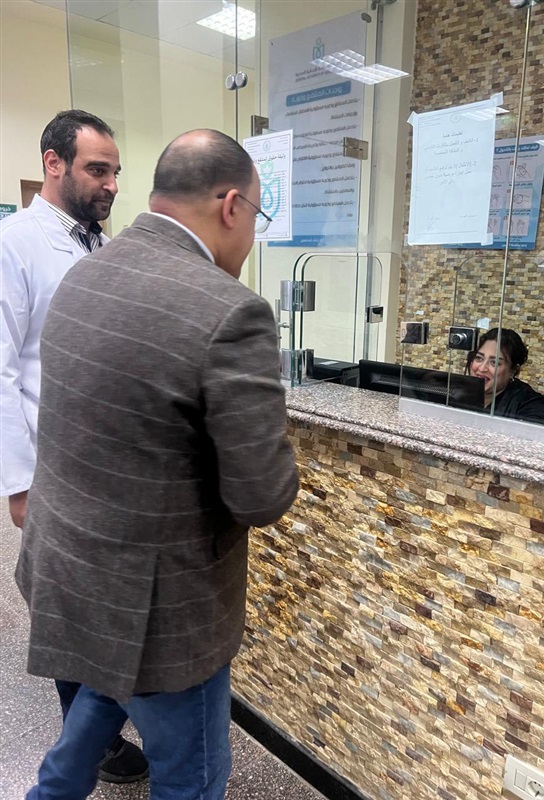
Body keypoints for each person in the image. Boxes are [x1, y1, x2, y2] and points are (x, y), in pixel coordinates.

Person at [17, 128, 299, 800]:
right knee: (193, 778)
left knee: (91, 717)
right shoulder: (231, 311)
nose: (251, 236)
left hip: (71, 567)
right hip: (158, 607)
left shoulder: (84, 272)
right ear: (231, 206)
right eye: (256, 217)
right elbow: (261, 496)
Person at [0, 109, 148, 783]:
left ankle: (100, 731)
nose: (111, 183)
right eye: (97, 169)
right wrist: (20, 483)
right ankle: (93, 746)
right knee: (68, 616)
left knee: (102, 608)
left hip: (109, 470)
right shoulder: (15, 245)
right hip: (53, 471)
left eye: (115, 171)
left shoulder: (100, 245)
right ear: (53, 164)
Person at [466, 327, 544, 424]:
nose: (482, 368)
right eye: (479, 358)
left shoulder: (529, 402)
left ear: (513, 370)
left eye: (495, 362)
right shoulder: (457, 390)